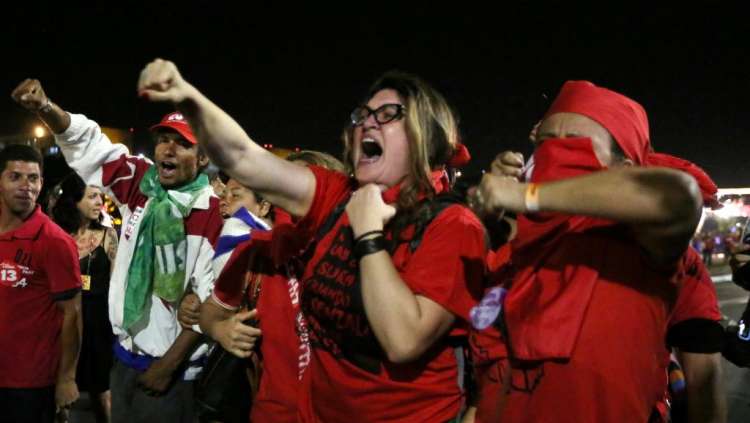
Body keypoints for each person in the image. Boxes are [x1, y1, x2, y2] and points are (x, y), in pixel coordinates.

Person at [138, 59, 485, 422]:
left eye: (388, 114)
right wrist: (188, 96)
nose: (367, 121)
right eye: (363, 115)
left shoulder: (454, 225)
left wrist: (368, 236)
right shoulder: (337, 196)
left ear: (425, 134)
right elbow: (244, 157)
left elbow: (403, 340)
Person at [471, 80, 704, 422]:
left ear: (624, 171)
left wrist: (527, 196)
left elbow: (679, 196)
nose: (553, 155)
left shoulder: (634, 246)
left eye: (574, 146)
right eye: (546, 143)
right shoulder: (514, 254)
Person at [12, 78, 223, 423]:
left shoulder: (212, 214)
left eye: (181, 144)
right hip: (123, 359)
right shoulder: (144, 185)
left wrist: (167, 368)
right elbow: (90, 145)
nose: (167, 150)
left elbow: (210, 302)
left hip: (171, 372)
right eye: (163, 140)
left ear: (202, 157)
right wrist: (45, 107)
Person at [179, 150, 346, 423]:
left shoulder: (356, 263)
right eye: (281, 190)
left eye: (300, 190)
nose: (289, 201)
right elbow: (211, 312)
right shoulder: (256, 253)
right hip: (271, 413)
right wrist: (221, 329)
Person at [0, 144, 82, 423]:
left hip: (29, 385)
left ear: (42, 183)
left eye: (33, 178)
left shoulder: (55, 242)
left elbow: (72, 313)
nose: (26, 186)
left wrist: (67, 379)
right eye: (15, 177)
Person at [51, 173, 118, 423]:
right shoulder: (57, 236)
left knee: (103, 391)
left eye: (100, 195)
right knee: (63, 392)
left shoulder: (108, 236)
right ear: (74, 201)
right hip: (64, 323)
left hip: (99, 324)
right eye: (91, 196)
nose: (99, 201)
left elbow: (116, 284)